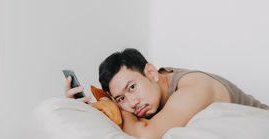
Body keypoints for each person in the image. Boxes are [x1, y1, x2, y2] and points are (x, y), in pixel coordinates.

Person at [64, 48, 269, 139]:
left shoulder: (193, 88)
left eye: (132, 87)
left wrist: (111, 105)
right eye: (121, 99)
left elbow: (146, 135)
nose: (132, 103)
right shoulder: (154, 94)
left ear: (151, 72)